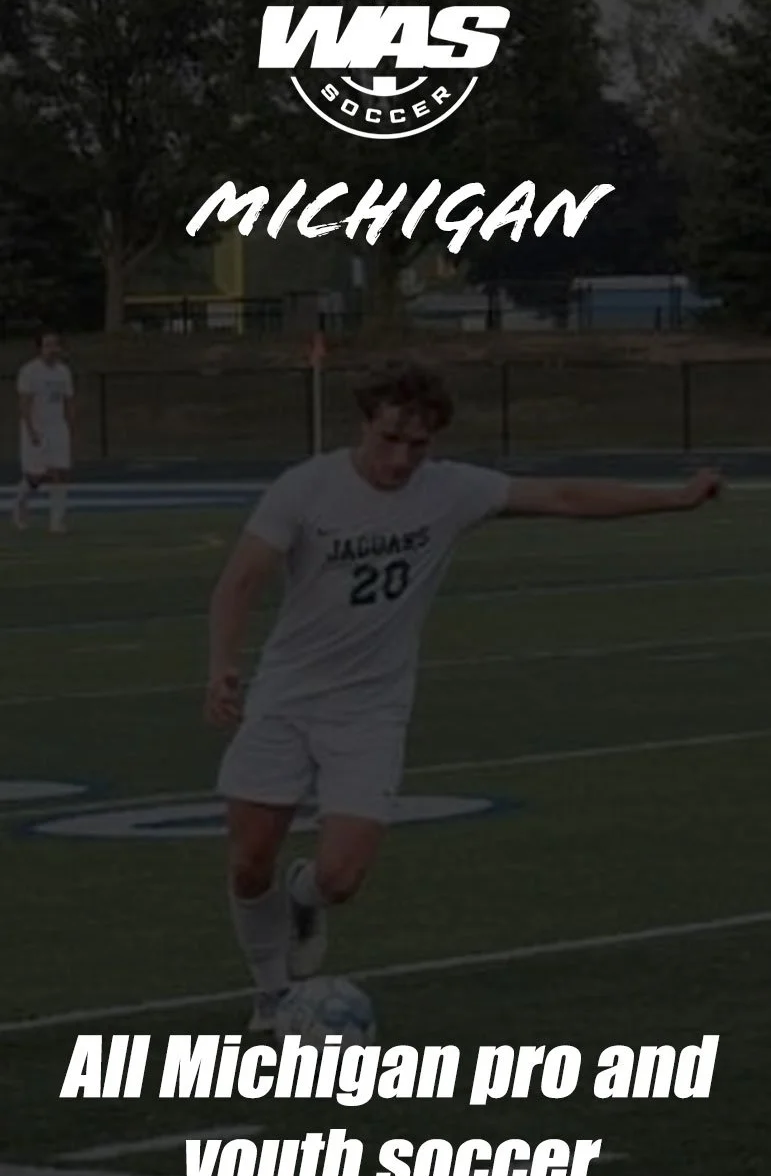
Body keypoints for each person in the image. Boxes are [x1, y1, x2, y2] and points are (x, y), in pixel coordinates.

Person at [205, 361, 722, 1031]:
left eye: (417, 445)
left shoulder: (451, 491)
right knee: (250, 860)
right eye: (390, 439)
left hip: (370, 712)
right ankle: (272, 993)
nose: (401, 458)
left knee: (340, 879)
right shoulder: (306, 488)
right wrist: (222, 663)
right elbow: (241, 579)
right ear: (364, 424)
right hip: (286, 699)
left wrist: (675, 498)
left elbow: (563, 496)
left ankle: (303, 898)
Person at [11, 331, 75, 534]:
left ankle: (57, 521)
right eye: (47, 345)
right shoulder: (30, 371)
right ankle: (20, 502)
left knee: (61, 472)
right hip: (37, 427)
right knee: (37, 475)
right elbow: (24, 403)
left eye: (55, 345)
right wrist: (31, 430)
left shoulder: (63, 372)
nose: (52, 349)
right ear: (40, 348)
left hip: (57, 427)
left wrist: (70, 426)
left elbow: (68, 401)